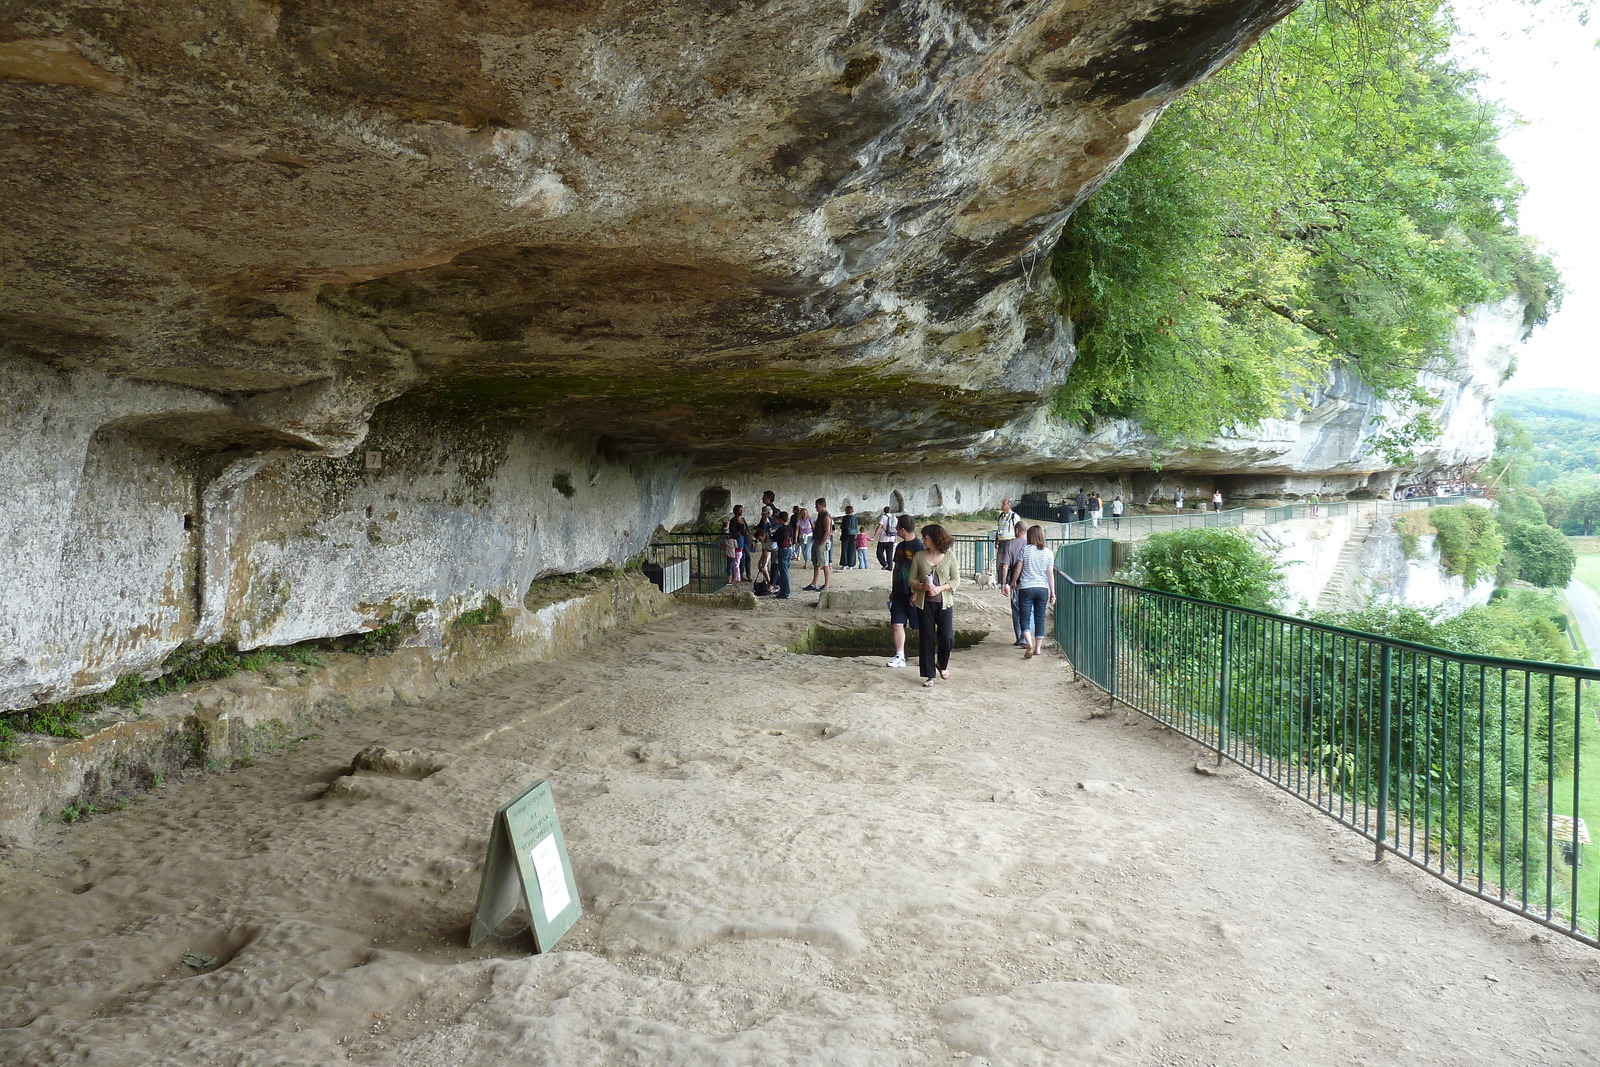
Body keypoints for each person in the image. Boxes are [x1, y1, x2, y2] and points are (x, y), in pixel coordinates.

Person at [910, 523, 960, 687]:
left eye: (926, 536)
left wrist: (940, 588)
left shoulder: (950, 556)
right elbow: (911, 580)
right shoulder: (918, 556)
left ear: (935, 538)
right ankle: (929, 675)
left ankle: (942, 664)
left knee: (947, 638)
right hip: (924, 604)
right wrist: (922, 586)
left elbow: (955, 580)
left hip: (944, 603)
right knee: (927, 639)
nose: (923, 539)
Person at [1008, 524, 1059, 659]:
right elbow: (1050, 574)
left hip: (1026, 587)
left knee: (1024, 617)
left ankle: (1028, 643)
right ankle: (1037, 649)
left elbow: (1018, 569)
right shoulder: (1049, 552)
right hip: (1042, 589)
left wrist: (1013, 582)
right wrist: (1053, 592)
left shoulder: (1025, 550)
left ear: (1030, 536)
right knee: (1040, 618)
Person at [884, 515, 923, 669]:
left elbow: (923, 570)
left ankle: (924, 653)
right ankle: (900, 655)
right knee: (897, 623)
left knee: (918, 626)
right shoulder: (899, 547)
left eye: (897, 527)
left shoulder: (919, 546)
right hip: (899, 591)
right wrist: (893, 589)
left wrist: (916, 592)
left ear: (902, 529)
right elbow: (896, 568)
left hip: (913, 592)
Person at [996, 518, 1028, 648]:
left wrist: (1003, 583)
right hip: (1029, 580)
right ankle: (1026, 638)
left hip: (1015, 581)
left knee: (1016, 610)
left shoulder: (1010, 544)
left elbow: (1004, 566)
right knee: (1028, 610)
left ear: (1016, 530)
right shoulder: (1031, 544)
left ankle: (1020, 638)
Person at [805, 497, 833, 592]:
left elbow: (827, 532)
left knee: (824, 563)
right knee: (816, 563)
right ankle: (814, 583)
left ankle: (827, 584)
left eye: (817, 506)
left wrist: (821, 543)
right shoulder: (820, 515)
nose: (816, 508)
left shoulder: (826, 516)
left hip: (822, 541)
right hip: (817, 540)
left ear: (821, 505)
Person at [770, 510, 793, 599]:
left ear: (780, 519)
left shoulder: (780, 529)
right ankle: (783, 589)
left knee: (783, 572)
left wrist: (770, 533)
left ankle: (785, 592)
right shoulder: (790, 527)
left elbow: (774, 539)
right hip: (789, 549)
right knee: (785, 570)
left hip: (782, 550)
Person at [753, 505, 775, 583]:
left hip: (774, 548)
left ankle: (771, 582)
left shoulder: (770, 521)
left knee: (771, 566)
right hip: (768, 546)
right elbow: (764, 553)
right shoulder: (765, 521)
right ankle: (769, 581)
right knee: (762, 565)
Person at [839, 505, 859, 569]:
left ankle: (844, 565)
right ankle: (851, 565)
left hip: (845, 535)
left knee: (845, 550)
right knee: (852, 550)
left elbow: (842, 527)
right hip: (853, 535)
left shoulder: (845, 518)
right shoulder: (855, 518)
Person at [723, 518, 742, 584]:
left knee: (729, 567)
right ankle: (731, 579)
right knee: (731, 567)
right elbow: (736, 546)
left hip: (728, 554)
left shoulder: (726, 541)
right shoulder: (734, 541)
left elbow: (723, 546)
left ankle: (729, 580)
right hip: (733, 554)